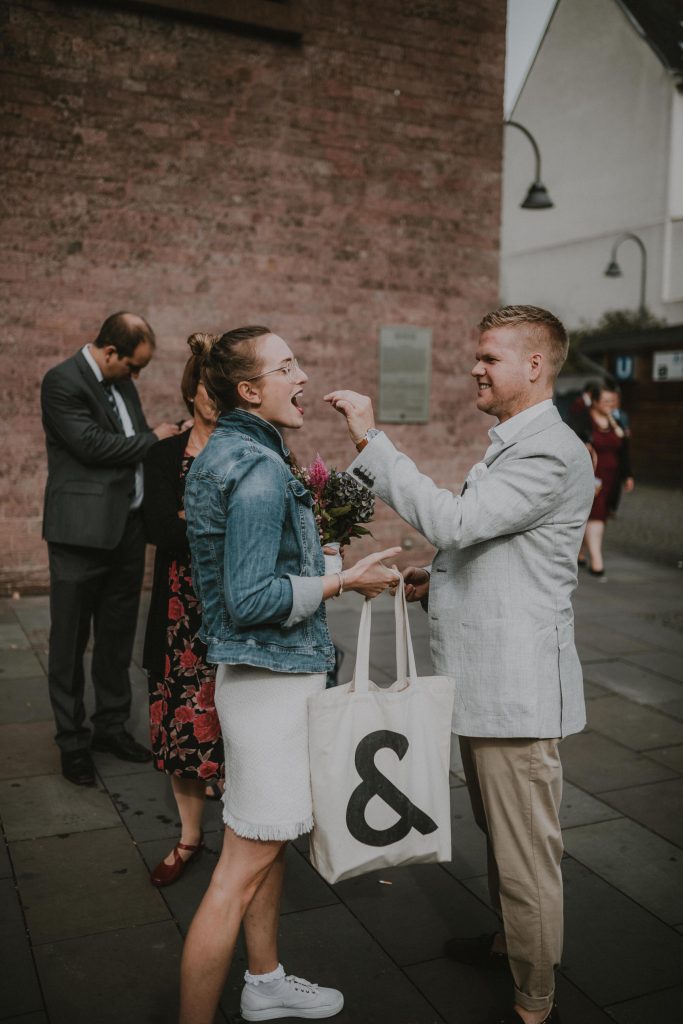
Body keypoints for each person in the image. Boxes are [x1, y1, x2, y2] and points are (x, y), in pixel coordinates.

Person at [326, 305, 595, 1024]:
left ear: (534, 366)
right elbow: (488, 547)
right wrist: (432, 578)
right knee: (502, 840)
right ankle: (512, 943)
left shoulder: (549, 450)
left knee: (526, 854)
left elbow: (455, 522)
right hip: (486, 687)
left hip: (516, 693)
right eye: (475, 356)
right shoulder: (511, 443)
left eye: (489, 357)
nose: (474, 368)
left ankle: (533, 1003)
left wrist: (370, 442)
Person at [180, 326, 400, 1024]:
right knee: (237, 871)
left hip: (259, 679)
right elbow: (250, 599)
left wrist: (342, 573)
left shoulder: (234, 450)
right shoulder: (259, 468)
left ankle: (266, 980)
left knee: (267, 843)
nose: (301, 376)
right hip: (271, 687)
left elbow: (263, 575)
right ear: (249, 389)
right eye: (285, 367)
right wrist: (338, 586)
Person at [41, 312, 179, 787]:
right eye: (134, 366)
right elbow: (93, 446)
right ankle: (73, 743)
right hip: (79, 535)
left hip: (127, 532)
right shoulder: (62, 381)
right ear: (111, 352)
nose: (136, 375)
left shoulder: (122, 384)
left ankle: (112, 728)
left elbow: (131, 442)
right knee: (69, 643)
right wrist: (153, 438)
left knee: (117, 638)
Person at [142, 333, 225, 887]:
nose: (212, 397)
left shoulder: (255, 449)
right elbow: (157, 529)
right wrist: (217, 528)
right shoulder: (164, 453)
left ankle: (250, 833)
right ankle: (190, 837)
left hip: (236, 611)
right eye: (205, 385)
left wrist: (186, 520)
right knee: (180, 729)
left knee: (239, 725)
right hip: (177, 614)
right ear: (191, 388)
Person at [571, 381, 634, 578]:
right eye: (606, 400)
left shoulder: (617, 423)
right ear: (595, 401)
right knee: (594, 516)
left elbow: (624, 453)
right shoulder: (583, 420)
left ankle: (579, 553)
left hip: (611, 480)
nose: (610, 404)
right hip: (591, 478)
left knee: (598, 516)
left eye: (613, 401)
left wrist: (628, 475)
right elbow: (573, 443)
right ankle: (596, 561)